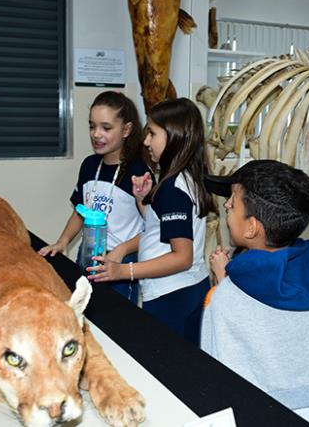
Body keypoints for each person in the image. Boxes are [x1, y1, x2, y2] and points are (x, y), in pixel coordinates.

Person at [201, 160, 309, 427]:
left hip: (259, 412)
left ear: (251, 228)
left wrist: (224, 281)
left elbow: (220, 369)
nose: (226, 204)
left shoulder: (228, 294)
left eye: (233, 203)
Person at [88, 98, 216, 346]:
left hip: (171, 295)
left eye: (152, 134)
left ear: (175, 136)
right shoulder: (189, 177)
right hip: (192, 287)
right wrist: (142, 201)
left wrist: (125, 271)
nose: (146, 141)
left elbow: (181, 257)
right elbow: (162, 230)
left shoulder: (172, 188)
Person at [38, 90, 150, 303]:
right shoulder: (89, 165)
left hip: (120, 260)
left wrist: (121, 251)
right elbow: (80, 211)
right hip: (87, 253)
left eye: (106, 128)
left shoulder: (138, 172)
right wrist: (62, 242)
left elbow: (152, 229)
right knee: (87, 311)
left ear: (126, 130)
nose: (97, 134)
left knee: (117, 321)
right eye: (92, 126)